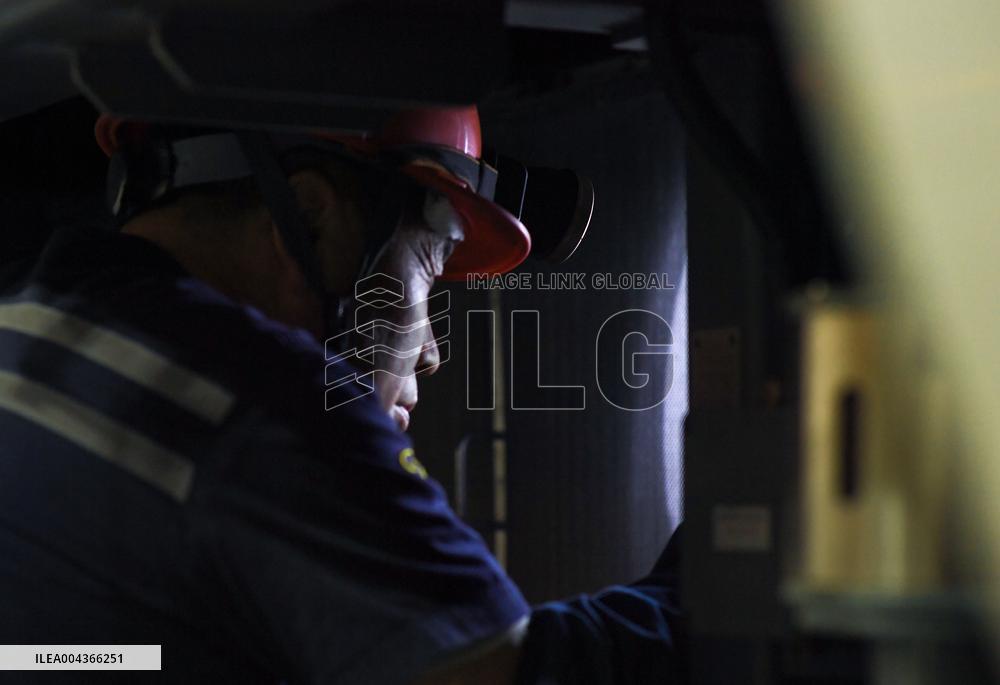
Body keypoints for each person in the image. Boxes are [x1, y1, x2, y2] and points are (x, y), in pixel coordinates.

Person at [0, 105, 684, 683]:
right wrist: (720, 575)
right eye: (424, 266)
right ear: (312, 219)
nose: (432, 350)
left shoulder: (27, 333)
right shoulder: (263, 413)